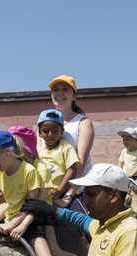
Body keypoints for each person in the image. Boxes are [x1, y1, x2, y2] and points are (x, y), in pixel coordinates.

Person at [8, 125, 86, 256]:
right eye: (45, 131)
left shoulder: (40, 166)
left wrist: (62, 195)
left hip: (43, 210)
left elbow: (38, 203)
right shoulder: (14, 169)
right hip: (23, 212)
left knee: (55, 252)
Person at [48, 75, 95, 209]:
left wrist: (69, 194)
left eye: (65, 89)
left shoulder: (83, 123)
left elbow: (80, 162)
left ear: (74, 96)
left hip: (77, 189)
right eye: (56, 90)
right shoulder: (44, 123)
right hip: (50, 189)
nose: (59, 93)